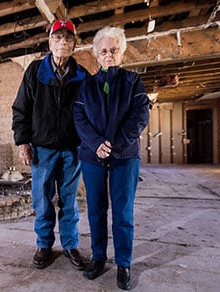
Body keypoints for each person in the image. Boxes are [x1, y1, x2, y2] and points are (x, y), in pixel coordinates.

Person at [73, 26, 150, 290]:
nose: (109, 55)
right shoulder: (87, 86)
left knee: (123, 212)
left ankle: (124, 263)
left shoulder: (133, 82)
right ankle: (98, 258)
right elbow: (79, 119)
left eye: (114, 50)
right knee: (95, 209)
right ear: (97, 54)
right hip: (93, 156)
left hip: (124, 156)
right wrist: (96, 144)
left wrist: (113, 144)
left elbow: (140, 117)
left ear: (122, 52)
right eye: (104, 51)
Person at [12, 19, 88, 271]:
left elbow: (90, 113)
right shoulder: (35, 72)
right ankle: (44, 245)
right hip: (41, 150)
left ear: (74, 44)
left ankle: (69, 245)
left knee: (69, 200)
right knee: (42, 201)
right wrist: (23, 141)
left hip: (71, 150)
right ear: (49, 42)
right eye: (57, 38)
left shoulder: (82, 76)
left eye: (68, 38)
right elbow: (21, 108)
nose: (62, 42)